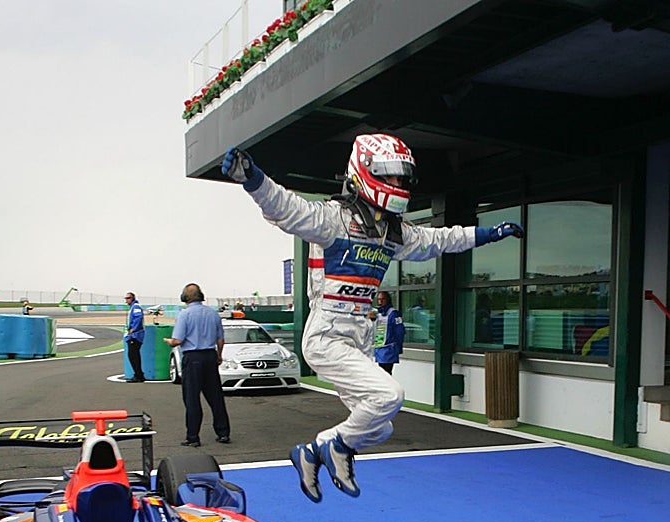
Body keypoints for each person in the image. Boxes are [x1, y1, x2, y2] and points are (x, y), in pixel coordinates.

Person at [221, 134, 523, 502]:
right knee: (389, 395)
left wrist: (489, 233)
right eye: (390, 176)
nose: (398, 185)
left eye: (403, 178)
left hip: (361, 336)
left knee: (380, 427)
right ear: (364, 172)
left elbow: (440, 239)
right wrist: (251, 178)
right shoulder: (331, 219)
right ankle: (331, 447)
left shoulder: (394, 233)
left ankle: (311, 454)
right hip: (328, 335)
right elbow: (284, 207)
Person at [163, 283, 231, 447]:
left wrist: (168, 341)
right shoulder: (213, 314)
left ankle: (193, 436)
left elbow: (177, 340)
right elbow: (220, 339)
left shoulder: (184, 315)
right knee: (216, 397)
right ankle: (223, 433)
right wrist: (219, 356)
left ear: (184, 298)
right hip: (209, 355)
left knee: (192, 398)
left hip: (192, 357)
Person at [373, 290, 404, 374]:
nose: (380, 302)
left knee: (386, 375)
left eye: (383, 299)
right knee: (381, 375)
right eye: (379, 299)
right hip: (379, 348)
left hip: (389, 349)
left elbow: (400, 332)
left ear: (388, 300)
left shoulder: (394, 314)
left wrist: (399, 347)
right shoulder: (378, 313)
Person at [124, 291, 146, 383]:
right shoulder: (133, 307)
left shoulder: (136, 307)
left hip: (135, 336)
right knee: (133, 355)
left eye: (128, 298)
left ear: (132, 298)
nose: (126, 301)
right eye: (126, 299)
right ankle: (138, 374)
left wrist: (133, 329)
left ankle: (138, 375)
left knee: (134, 356)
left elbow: (138, 317)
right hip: (133, 335)